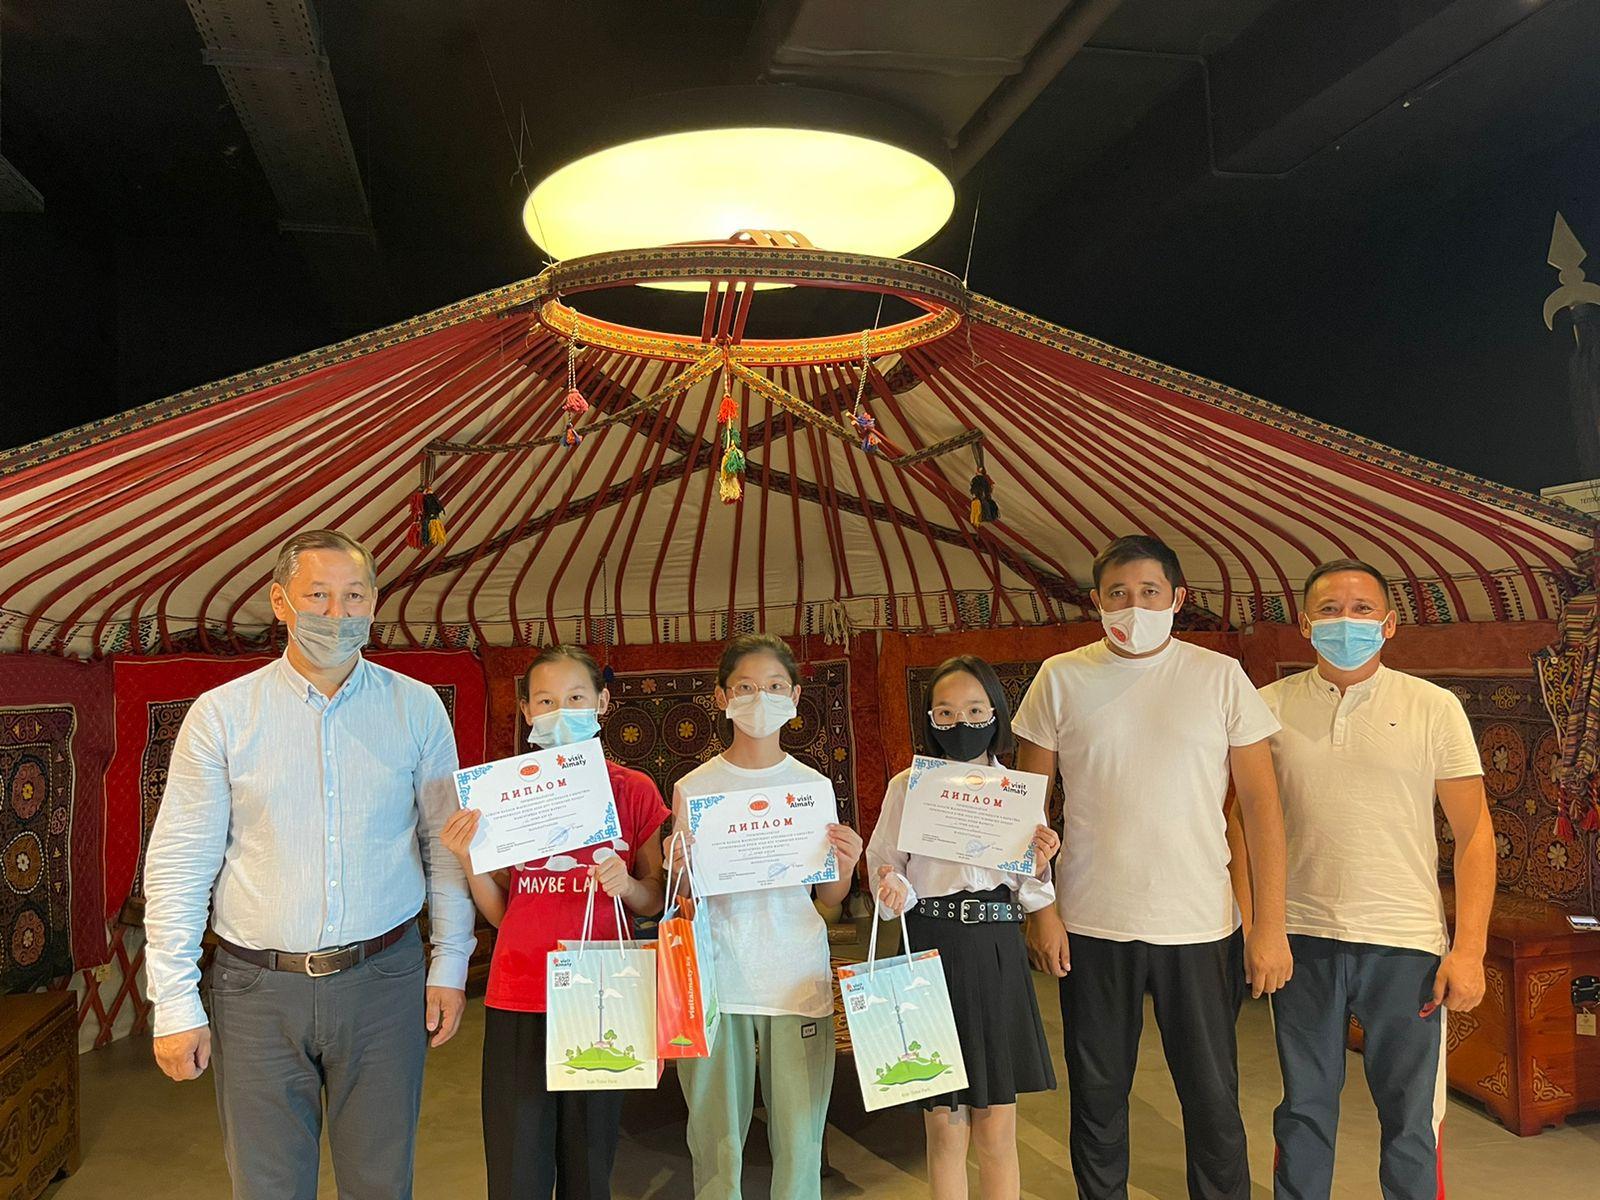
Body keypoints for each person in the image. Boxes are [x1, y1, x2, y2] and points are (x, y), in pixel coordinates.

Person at [143, 529, 475, 1200]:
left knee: (381, 1182)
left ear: (374, 602)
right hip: (257, 990)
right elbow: (181, 861)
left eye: (353, 596)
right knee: (267, 1185)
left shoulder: (416, 709)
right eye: (317, 595)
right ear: (280, 602)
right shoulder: (223, 716)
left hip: (384, 980)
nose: (337, 613)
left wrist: (450, 963)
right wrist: (173, 999)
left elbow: (445, 843)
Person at [1013, 533, 1294, 1200]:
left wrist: (1270, 927)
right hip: (1091, 922)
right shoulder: (1060, 677)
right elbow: (1027, 808)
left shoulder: (1219, 676)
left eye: (1148, 592)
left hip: (1198, 922)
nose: (1133, 607)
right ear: (1097, 602)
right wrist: (1041, 909)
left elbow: (1262, 807)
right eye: (1118, 594)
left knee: (1213, 1099)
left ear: (1177, 599)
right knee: (1098, 1097)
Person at [1256, 559, 1490, 1200]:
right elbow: (1242, 825)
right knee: (1303, 1109)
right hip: (1302, 938)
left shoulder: (1433, 708)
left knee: (1411, 1119)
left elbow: (1475, 834)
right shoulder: (1267, 709)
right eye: (1330, 609)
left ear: (1388, 624)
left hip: (1405, 943)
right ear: (1305, 624)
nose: (1346, 622)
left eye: (1362, 609)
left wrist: (1469, 950)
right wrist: (1258, 928)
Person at [440, 644, 668, 1200]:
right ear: (526, 711)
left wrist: (627, 885)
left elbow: (655, 900)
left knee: (589, 1164)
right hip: (519, 990)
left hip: (603, 991)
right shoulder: (503, 796)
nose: (560, 711)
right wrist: (470, 860)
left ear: (602, 703)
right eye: (545, 701)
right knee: (517, 1166)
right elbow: (505, 913)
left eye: (575, 698)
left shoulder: (633, 790)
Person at [668, 633, 864, 1200]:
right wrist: (678, 867)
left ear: (795, 697)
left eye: (775, 686)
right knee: (716, 1141)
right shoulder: (694, 789)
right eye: (746, 687)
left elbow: (829, 896)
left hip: (794, 975)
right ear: (722, 698)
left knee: (800, 1140)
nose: (761, 698)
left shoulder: (812, 788)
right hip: (717, 978)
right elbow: (686, 897)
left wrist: (846, 864)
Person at [867, 655, 1061, 1200]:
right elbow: (885, 865)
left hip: (996, 950)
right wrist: (891, 886)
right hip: (931, 949)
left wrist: (1039, 862)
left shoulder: (1017, 792)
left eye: (975, 710)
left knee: (996, 1128)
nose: (961, 722)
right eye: (946, 712)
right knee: (945, 1128)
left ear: (996, 714)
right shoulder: (909, 786)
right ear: (929, 719)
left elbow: (1029, 889)